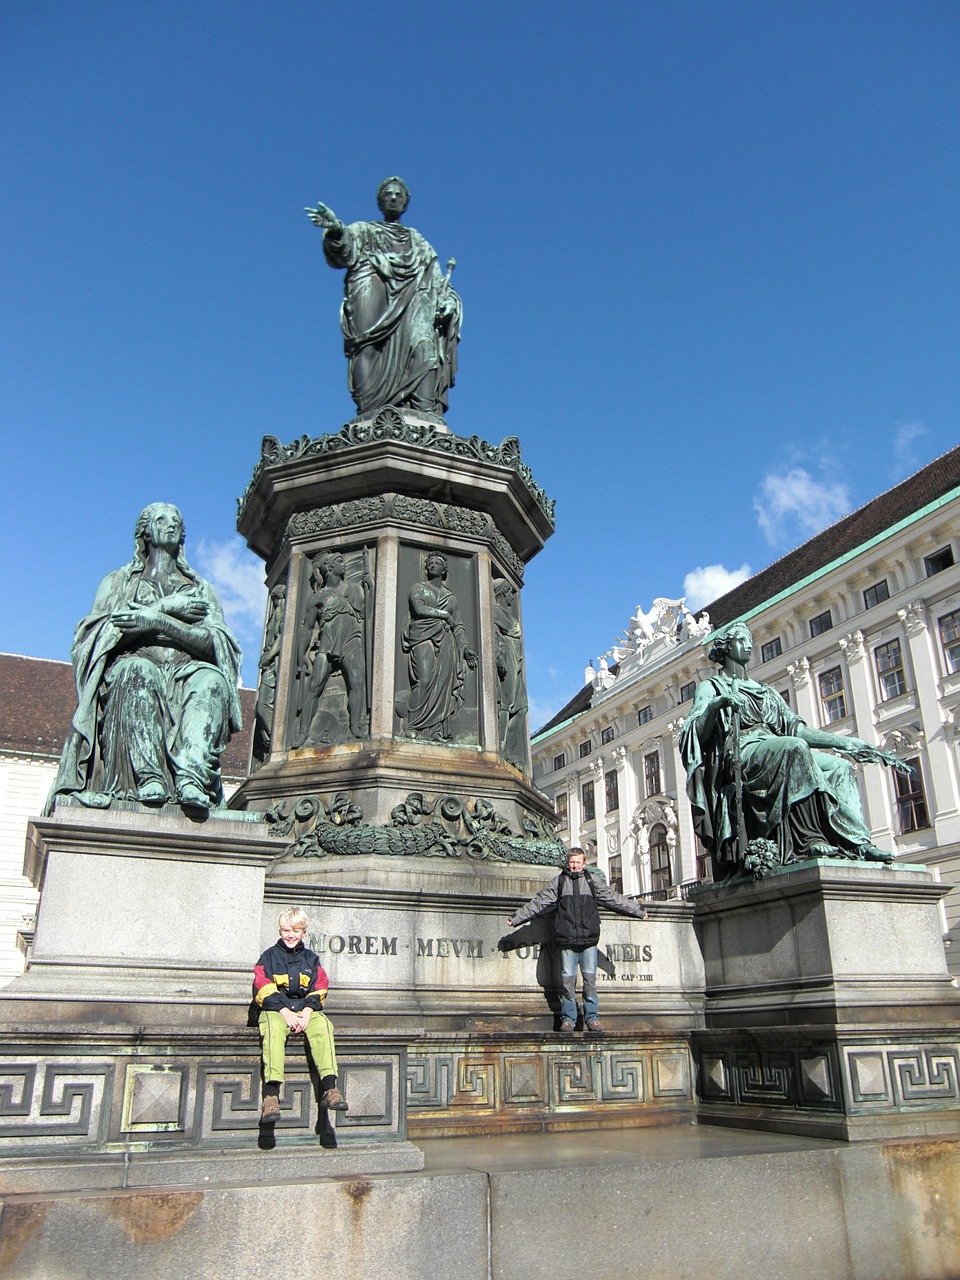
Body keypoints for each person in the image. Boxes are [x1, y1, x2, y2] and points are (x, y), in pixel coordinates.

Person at [47, 502, 242, 815]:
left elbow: (216, 643)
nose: (171, 524)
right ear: (145, 532)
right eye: (162, 519)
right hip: (134, 665)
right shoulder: (119, 582)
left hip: (187, 670)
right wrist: (165, 611)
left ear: (183, 536)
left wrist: (157, 623)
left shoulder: (200, 590)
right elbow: (95, 636)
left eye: (177, 520)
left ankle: (191, 777)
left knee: (212, 681)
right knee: (137, 671)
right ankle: (148, 776)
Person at [679, 620, 908, 877]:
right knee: (793, 749)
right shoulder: (711, 687)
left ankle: (857, 842)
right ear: (726, 647)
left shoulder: (766, 692)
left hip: (776, 747)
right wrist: (716, 706)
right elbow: (694, 731)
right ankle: (809, 839)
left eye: (750, 641)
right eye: (741, 640)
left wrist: (846, 743)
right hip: (743, 751)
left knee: (839, 767)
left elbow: (797, 730)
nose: (748, 646)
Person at [307, 177, 462, 418]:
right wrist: (337, 231)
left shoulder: (419, 243)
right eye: (388, 194)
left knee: (425, 348)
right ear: (380, 201)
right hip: (373, 294)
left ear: (406, 203)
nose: (393, 198)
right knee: (366, 345)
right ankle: (369, 414)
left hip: (414, 304)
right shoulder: (364, 230)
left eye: (398, 195)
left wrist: (449, 301)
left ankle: (424, 413)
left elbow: (438, 284)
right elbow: (344, 252)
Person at [505, 847, 646, 1035]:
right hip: (567, 940)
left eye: (578, 862)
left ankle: (592, 1018)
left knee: (590, 981)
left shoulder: (592, 881)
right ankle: (569, 1019)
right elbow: (539, 902)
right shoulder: (559, 882)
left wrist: (638, 911)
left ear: (584, 863)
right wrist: (516, 918)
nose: (575, 865)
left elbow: (614, 899)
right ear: (567, 863)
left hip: (588, 941)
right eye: (572, 862)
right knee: (567, 982)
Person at [253, 906, 348, 1147]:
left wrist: (307, 1011)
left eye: (295, 930)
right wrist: (284, 1011)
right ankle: (271, 1096)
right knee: (273, 1030)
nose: (290, 935)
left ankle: (330, 1089)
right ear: (280, 930)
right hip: (276, 1010)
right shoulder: (268, 957)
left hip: (304, 1011)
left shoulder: (311, 959)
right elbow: (262, 986)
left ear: (303, 931)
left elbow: (321, 986)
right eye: (286, 930)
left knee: (324, 1026)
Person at [396, 552, 478, 741]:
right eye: (430, 562)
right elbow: (418, 609)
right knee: (423, 681)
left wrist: (465, 648)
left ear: (444, 570)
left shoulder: (451, 598)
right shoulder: (418, 588)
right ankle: (412, 725)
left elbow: (458, 626)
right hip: (422, 637)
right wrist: (444, 615)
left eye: (437, 563)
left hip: (447, 642)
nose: (433, 565)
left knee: (443, 687)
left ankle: (434, 732)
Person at [295, 551, 371, 744]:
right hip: (328, 643)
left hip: (351, 641)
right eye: (339, 561)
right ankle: (303, 732)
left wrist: (371, 585)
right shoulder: (317, 598)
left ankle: (355, 727)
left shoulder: (354, 589)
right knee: (314, 686)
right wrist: (301, 653)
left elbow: (368, 614)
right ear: (329, 567)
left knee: (357, 682)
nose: (344, 564)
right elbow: (308, 628)